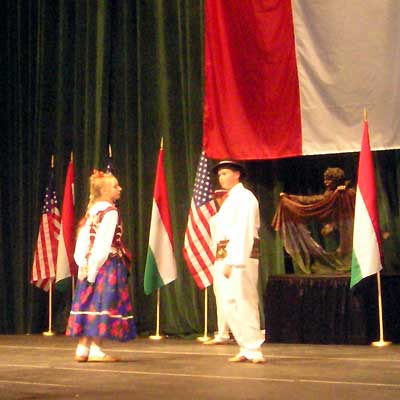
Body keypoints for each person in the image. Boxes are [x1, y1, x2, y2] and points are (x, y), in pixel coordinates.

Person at [66, 170, 136, 362]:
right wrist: (94, 268)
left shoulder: (93, 210)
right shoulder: (110, 212)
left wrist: (82, 263)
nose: (119, 188)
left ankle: (82, 348)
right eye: (115, 186)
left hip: (90, 264)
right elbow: (103, 242)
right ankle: (95, 349)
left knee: (89, 302)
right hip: (105, 264)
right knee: (102, 303)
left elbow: (82, 241)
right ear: (105, 191)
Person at [207, 160, 266, 363]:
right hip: (225, 254)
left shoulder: (245, 198)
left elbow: (244, 229)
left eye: (225, 173)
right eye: (220, 174)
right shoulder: (230, 200)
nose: (221, 178)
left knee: (244, 300)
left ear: (237, 175)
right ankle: (244, 345)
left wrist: (233, 260)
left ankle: (254, 347)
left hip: (239, 255)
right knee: (227, 301)